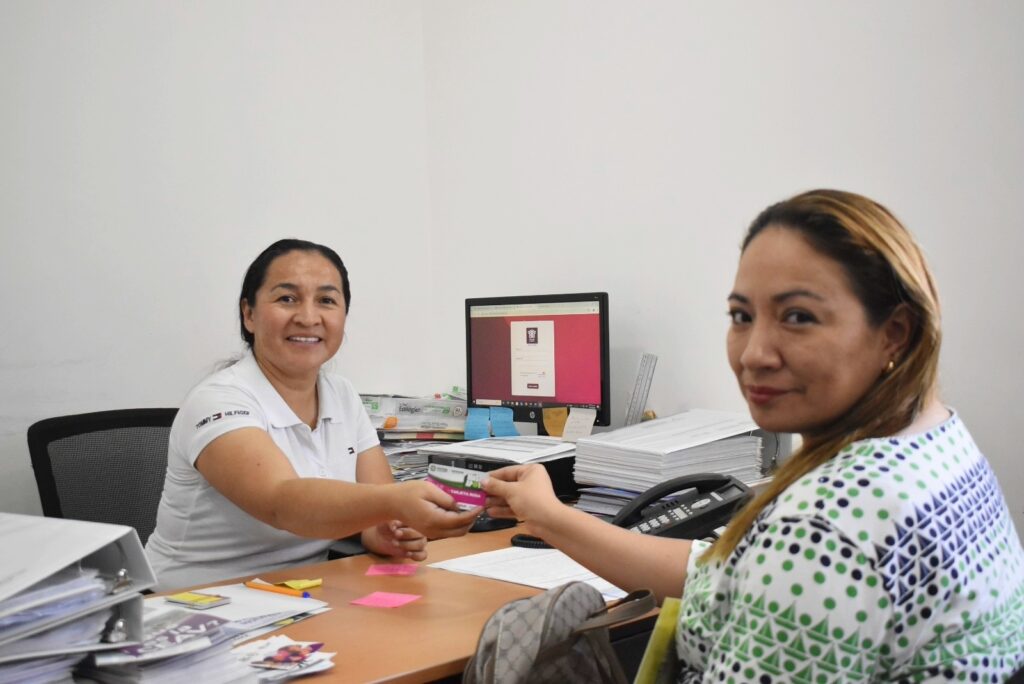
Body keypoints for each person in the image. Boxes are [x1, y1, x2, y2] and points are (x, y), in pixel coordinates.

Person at [483, 190, 1024, 681]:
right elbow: (727, 576)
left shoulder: (824, 527)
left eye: (798, 317)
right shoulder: (934, 440)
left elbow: (799, 561)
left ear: (894, 333)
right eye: (742, 316)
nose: (754, 353)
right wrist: (550, 516)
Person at [145, 239, 479, 590]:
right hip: (194, 600)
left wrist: (383, 531)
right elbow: (282, 503)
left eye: (326, 301)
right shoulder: (217, 400)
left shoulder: (342, 394)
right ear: (249, 314)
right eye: (287, 298)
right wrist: (395, 502)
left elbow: (375, 506)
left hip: (301, 593)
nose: (307, 317)